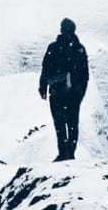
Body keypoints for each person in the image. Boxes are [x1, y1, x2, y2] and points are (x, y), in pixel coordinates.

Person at [38, 19, 89, 161]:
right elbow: (85, 76)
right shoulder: (79, 49)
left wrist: (43, 88)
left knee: (60, 124)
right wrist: (80, 94)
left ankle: (63, 153)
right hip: (72, 94)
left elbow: (45, 69)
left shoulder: (54, 48)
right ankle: (70, 153)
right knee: (72, 123)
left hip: (56, 92)